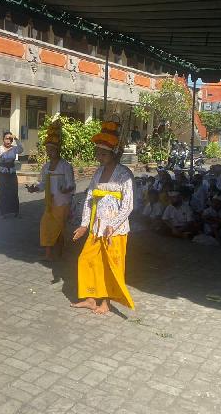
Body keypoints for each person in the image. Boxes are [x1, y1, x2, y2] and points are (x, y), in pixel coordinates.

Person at [71, 120, 135, 315]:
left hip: (115, 231)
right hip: (96, 227)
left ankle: (106, 302)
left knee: (110, 266)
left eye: (103, 154)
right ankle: (90, 299)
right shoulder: (98, 172)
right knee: (86, 260)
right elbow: (89, 198)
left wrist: (113, 225)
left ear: (114, 153)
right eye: (98, 153)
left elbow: (128, 206)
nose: (99, 157)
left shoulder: (124, 174)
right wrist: (84, 225)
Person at [27, 118, 75, 261]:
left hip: (62, 202)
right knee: (46, 226)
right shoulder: (46, 167)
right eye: (48, 150)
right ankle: (48, 255)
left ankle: (60, 253)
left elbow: (71, 184)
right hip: (49, 203)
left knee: (60, 229)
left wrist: (65, 190)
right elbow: (43, 184)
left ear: (58, 150)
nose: (49, 152)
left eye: (52, 149)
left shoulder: (65, 166)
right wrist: (34, 188)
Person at [0, 131, 23, 218]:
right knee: (3, 192)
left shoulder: (14, 149)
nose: (8, 141)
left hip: (12, 173)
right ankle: (3, 212)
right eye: (6, 139)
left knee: (14, 192)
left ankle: (15, 211)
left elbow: (21, 149)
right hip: (2, 173)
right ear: (3, 139)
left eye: (10, 139)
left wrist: (16, 139)